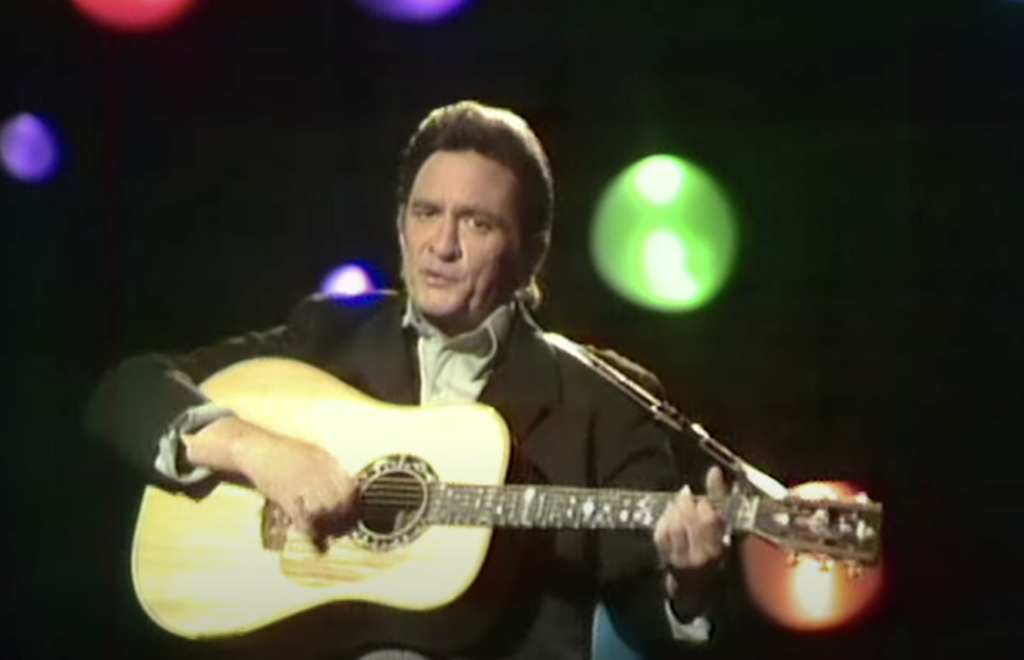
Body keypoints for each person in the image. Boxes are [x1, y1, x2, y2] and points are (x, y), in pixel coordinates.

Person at [84, 100, 730, 660]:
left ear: (530, 251)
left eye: (477, 223)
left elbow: (649, 618)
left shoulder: (604, 398)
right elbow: (125, 391)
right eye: (426, 213)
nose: (440, 245)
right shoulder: (328, 336)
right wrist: (263, 452)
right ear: (401, 223)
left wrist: (688, 586)